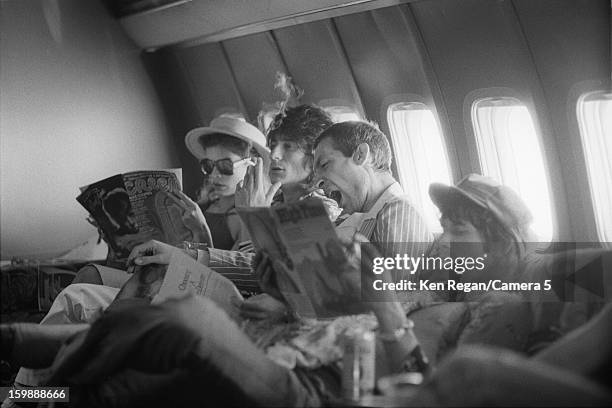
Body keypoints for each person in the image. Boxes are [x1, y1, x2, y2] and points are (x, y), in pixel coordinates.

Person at [184, 116, 269, 251]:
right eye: (209, 165)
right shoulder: (208, 202)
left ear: (252, 164)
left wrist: (200, 234)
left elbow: (240, 268)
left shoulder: (244, 218)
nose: (214, 174)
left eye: (225, 166)